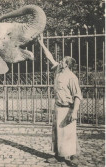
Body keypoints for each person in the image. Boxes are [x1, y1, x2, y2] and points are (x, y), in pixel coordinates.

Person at [38, 34, 83, 166]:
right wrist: (41, 44)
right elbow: (49, 57)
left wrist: (74, 112)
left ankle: (73, 157)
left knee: (68, 133)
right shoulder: (58, 69)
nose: (60, 61)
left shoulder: (72, 77)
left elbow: (78, 96)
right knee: (57, 132)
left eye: (63, 61)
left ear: (67, 65)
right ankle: (58, 156)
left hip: (67, 108)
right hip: (58, 106)